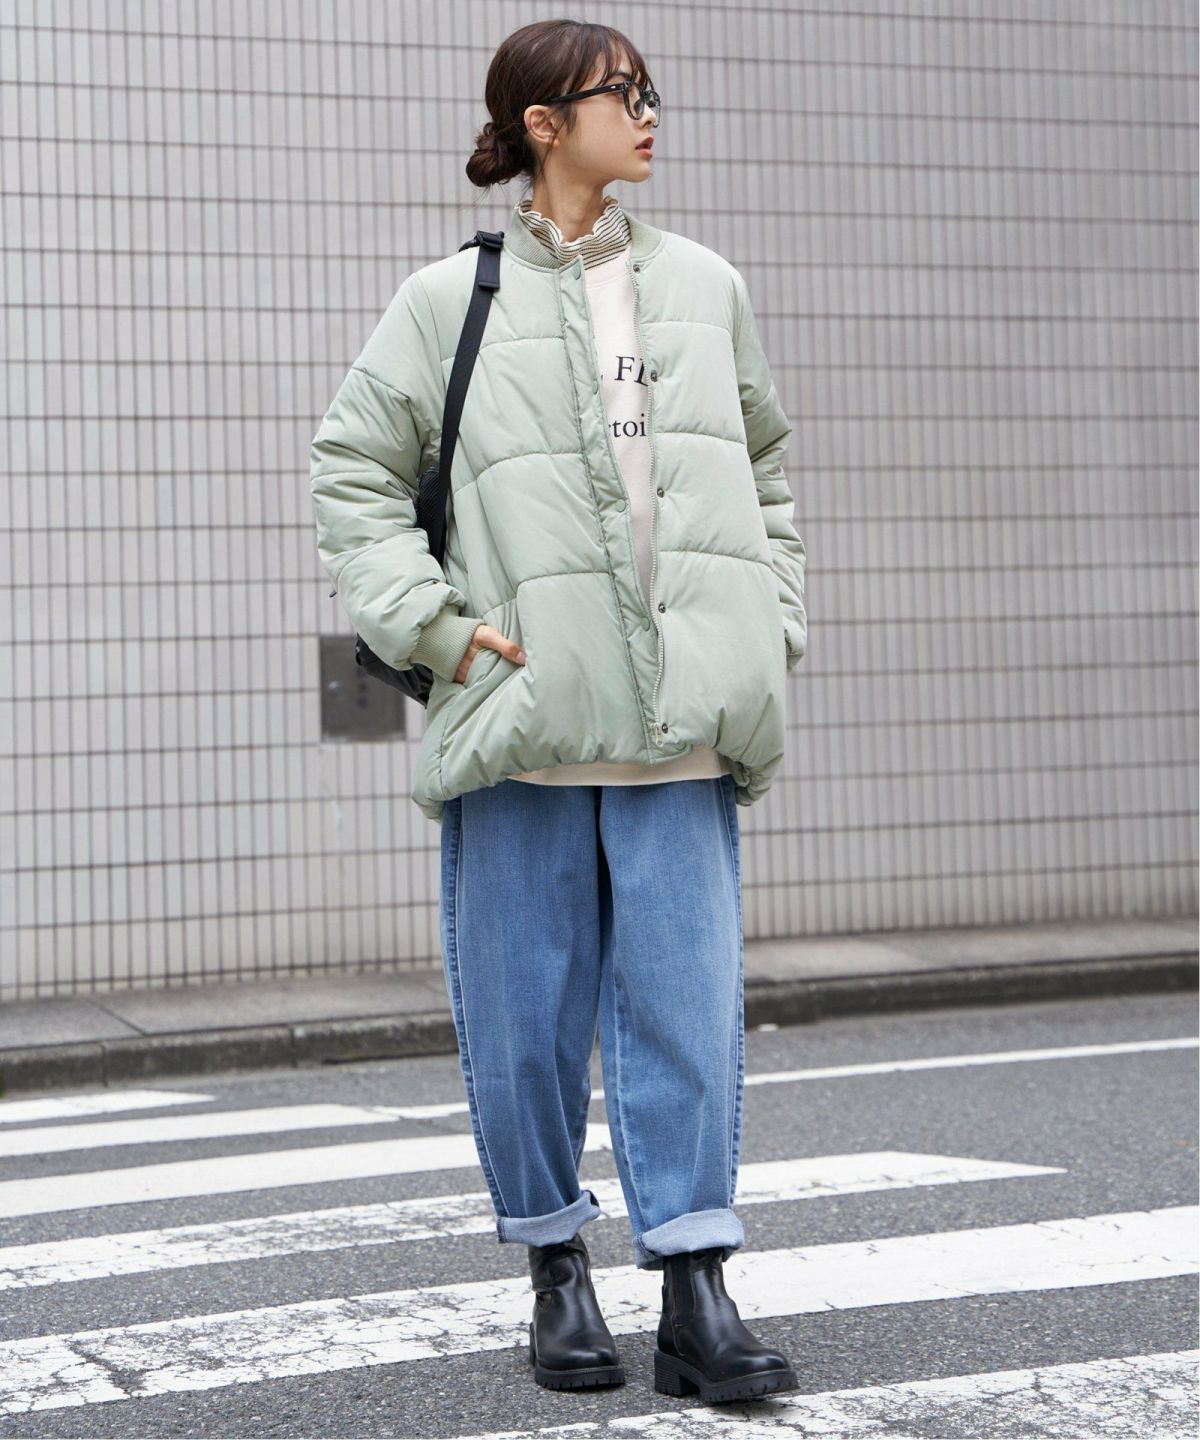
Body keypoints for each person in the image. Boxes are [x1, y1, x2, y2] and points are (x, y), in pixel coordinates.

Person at [310, 18, 806, 1406]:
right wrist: (433, 625)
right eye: (620, 94)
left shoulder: (704, 286)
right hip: (521, 721)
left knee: (688, 1017)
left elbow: (766, 469)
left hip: (682, 724)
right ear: (544, 123)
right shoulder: (445, 301)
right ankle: (554, 1269)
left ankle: (697, 1291)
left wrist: (769, 619)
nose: (648, 114)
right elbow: (353, 470)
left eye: (649, 91)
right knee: (525, 1022)